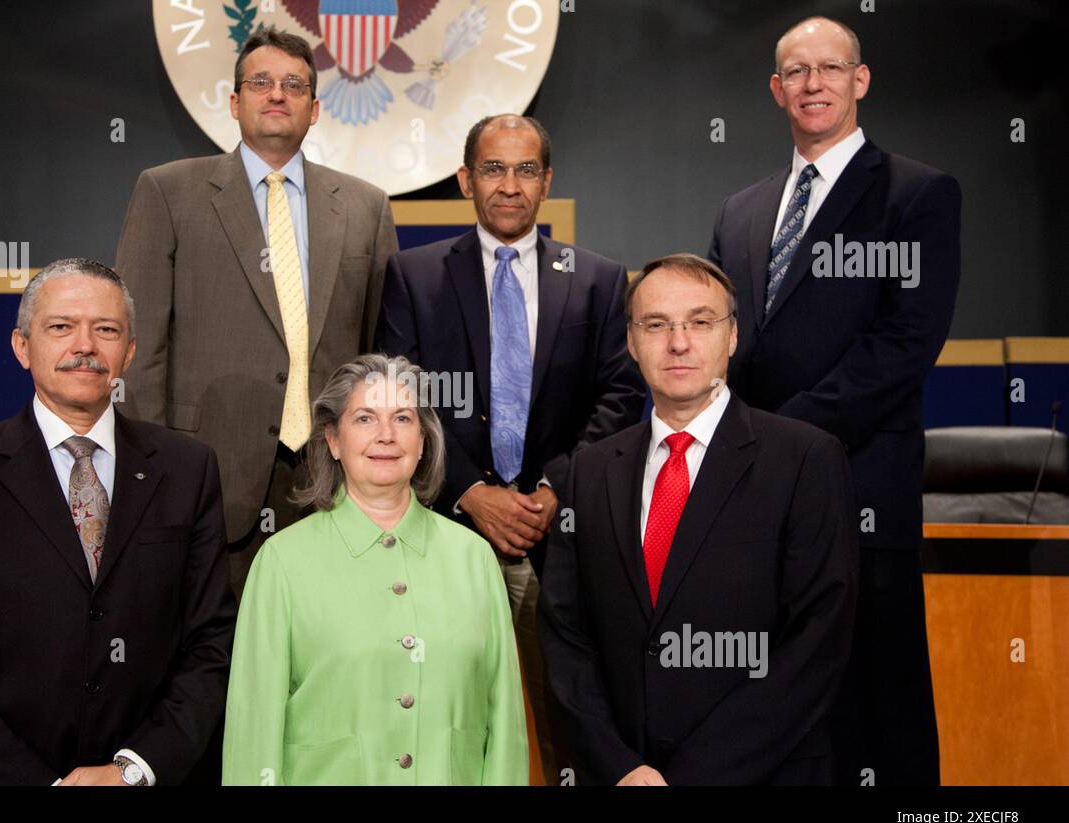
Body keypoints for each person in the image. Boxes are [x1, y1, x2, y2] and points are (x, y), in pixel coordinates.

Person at [707, 16, 961, 785]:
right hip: (756, 507)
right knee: (777, 710)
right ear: (777, 90)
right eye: (796, 72)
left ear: (861, 80)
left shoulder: (917, 195)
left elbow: (902, 348)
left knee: (880, 713)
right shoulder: (742, 211)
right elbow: (723, 342)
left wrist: (776, 438)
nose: (813, 84)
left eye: (831, 67)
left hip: (860, 496)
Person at [0, 258, 237, 785]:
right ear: (22, 346)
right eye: (61, 327)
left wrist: (132, 770)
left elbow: (212, 645)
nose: (85, 345)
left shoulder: (188, 467)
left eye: (106, 329)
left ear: (130, 352)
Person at [376, 114, 642, 780]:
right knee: (444, 713)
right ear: (466, 178)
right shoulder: (414, 275)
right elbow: (402, 401)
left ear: (546, 180)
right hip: (445, 530)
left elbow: (618, 399)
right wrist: (469, 491)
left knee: (568, 723)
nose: (509, 185)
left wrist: (553, 489)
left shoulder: (599, 279)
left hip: (560, 536)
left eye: (526, 170)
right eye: (493, 168)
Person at [537, 253, 858, 785]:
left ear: (731, 337)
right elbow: (567, 637)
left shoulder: (805, 459)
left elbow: (817, 641)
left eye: (700, 322)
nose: (678, 342)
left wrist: (690, 778)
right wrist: (623, 767)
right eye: (656, 325)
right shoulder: (590, 470)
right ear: (632, 343)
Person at [115, 27, 398, 597]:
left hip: (330, 473)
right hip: (205, 474)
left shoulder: (366, 206)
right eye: (261, 82)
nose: (277, 94)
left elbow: (377, 353)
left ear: (314, 108)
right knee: (215, 662)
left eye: (294, 84)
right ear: (234, 100)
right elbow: (137, 347)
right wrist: (151, 467)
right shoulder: (168, 191)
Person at [222, 354, 528, 785]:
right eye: (365, 418)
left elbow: (506, 731)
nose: (386, 435)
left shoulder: (474, 559)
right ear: (333, 440)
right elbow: (253, 732)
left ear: (423, 441)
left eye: (402, 418)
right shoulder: (281, 563)